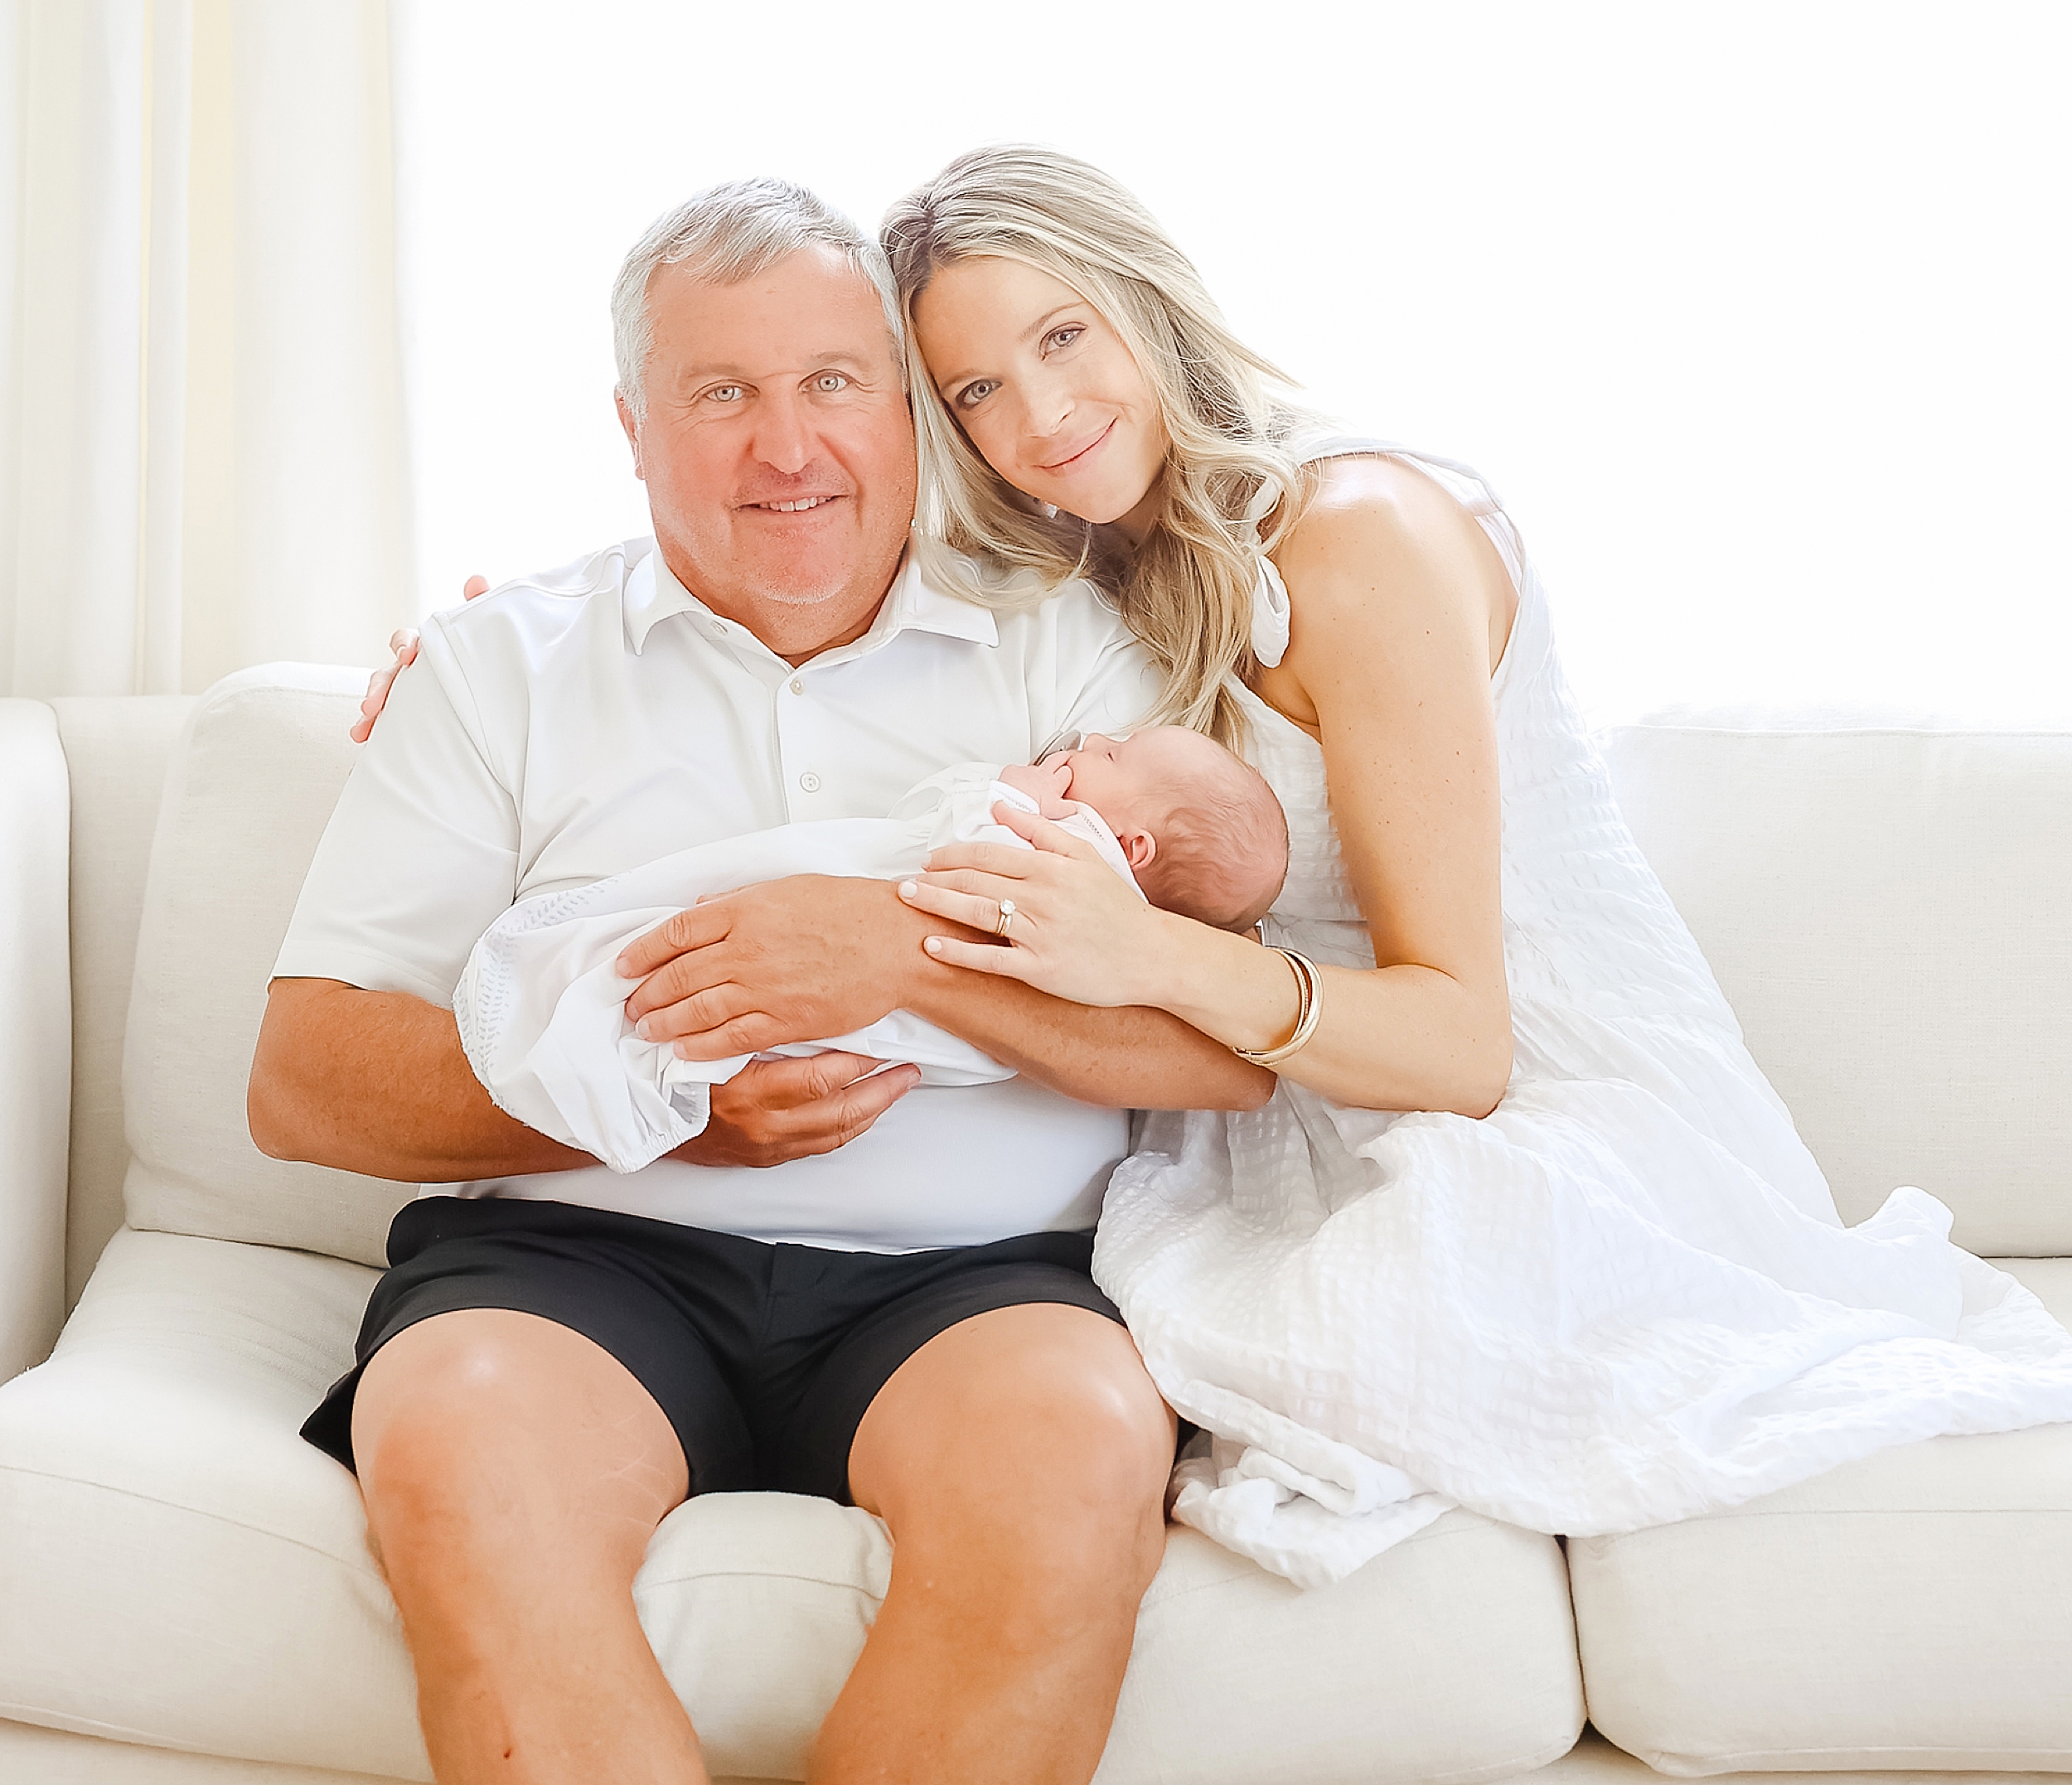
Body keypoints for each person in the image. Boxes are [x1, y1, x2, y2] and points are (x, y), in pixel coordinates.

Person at [868, 145, 2072, 1586]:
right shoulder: (1090, 564)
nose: (1040, 413)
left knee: (1385, 1314)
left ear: (1146, 300)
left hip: (1524, 1083)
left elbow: (1465, 1043)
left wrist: (1153, 957)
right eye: (975, 389)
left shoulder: (1355, 531)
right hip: (1290, 1077)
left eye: (1061, 335)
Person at [248, 177, 1272, 1785]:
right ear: (631, 425)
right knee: (458, 1437)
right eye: (719, 394)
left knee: (1074, 1447)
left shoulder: (1065, 655)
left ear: (910, 412)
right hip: (570, 1260)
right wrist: (677, 1122)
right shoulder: (498, 671)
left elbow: (1227, 1049)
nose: (785, 450)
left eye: (831, 385)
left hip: (978, 1278)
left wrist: (896, 960)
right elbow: (302, 1074)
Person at [452, 732, 1290, 1176]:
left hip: (963, 1245)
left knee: (679, 970)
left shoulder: (1069, 854)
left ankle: (605, 1050)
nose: (1089, 742)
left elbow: (954, 839)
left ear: (1132, 847)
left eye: (1111, 758)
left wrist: (999, 790)